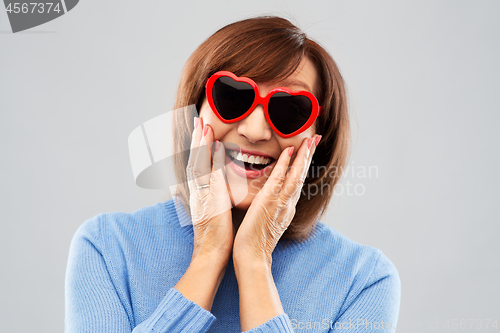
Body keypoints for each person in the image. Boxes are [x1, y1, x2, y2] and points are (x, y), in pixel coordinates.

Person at [65, 16, 401, 333]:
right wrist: (209, 253)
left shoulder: (364, 279)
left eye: (289, 109)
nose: (255, 131)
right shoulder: (107, 247)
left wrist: (255, 262)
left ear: (319, 136)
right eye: (232, 96)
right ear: (196, 112)